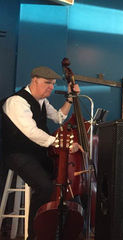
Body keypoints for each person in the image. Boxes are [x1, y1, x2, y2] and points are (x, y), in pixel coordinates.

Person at [1, 66, 82, 240]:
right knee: (45, 187)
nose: (51, 87)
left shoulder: (42, 102)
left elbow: (59, 117)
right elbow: (31, 132)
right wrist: (62, 143)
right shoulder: (16, 102)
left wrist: (69, 99)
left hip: (38, 154)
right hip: (18, 154)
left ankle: (55, 228)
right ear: (34, 80)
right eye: (47, 83)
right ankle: (35, 234)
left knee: (60, 182)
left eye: (53, 84)